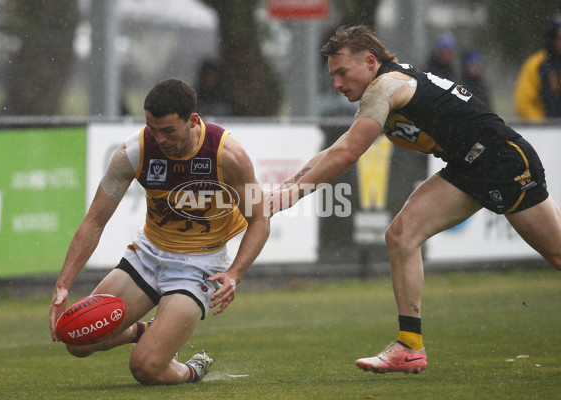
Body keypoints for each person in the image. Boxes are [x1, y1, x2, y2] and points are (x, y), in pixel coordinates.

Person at [270, 25, 561, 374]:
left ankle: (409, 346)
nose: (336, 83)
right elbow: (335, 149)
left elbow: (347, 154)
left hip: (502, 160)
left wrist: (294, 194)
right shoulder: (381, 90)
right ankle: (409, 347)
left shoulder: (384, 87)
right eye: (332, 75)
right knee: (401, 236)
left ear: (370, 61)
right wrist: (284, 187)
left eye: (342, 72)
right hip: (469, 165)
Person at [49, 78, 269, 385]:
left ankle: (194, 368)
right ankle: (146, 329)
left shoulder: (227, 155)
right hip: (148, 254)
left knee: (145, 368)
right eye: (153, 128)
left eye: (168, 130)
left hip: (199, 266)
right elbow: (94, 222)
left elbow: (259, 219)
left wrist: (234, 274)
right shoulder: (134, 152)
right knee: (77, 340)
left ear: (193, 121)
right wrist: (63, 285)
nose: (159, 138)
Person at [514, 14, 561, 122]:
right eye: (559, 38)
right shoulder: (536, 65)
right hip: (544, 133)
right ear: (552, 38)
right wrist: (544, 125)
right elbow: (523, 104)